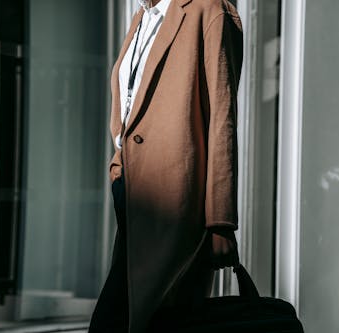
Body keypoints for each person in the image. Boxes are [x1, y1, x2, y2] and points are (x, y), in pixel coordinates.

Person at [88, 0, 243, 332]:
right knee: (144, 316)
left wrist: (220, 220)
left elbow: (222, 119)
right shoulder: (141, 16)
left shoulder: (209, 9)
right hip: (132, 190)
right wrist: (118, 167)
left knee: (130, 317)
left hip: (178, 201)